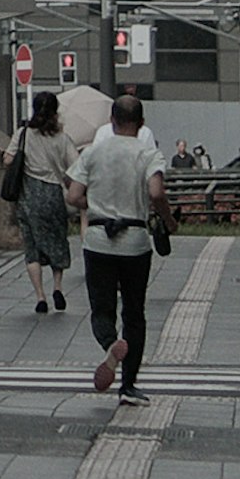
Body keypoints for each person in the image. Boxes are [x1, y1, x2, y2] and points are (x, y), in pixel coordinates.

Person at [78, 80, 178, 389]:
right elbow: (157, 192)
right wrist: (168, 220)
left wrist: (95, 202)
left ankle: (110, 344)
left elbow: (71, 195)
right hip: (135, 242)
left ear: (111, 120)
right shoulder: (148, 153)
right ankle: (129, 385)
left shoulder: (93, 152)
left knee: (101, 308)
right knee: (134, 313)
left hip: (97, 239)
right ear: (142, 123)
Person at [12, 89, 75, 316]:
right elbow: (74, 166)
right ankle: (57, 286)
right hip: (53, 194)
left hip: (28, 196)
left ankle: (40, 296)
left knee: (31, 247)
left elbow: (9, 157)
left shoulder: (23, 134)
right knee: (58, 241)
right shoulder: (62, 138)